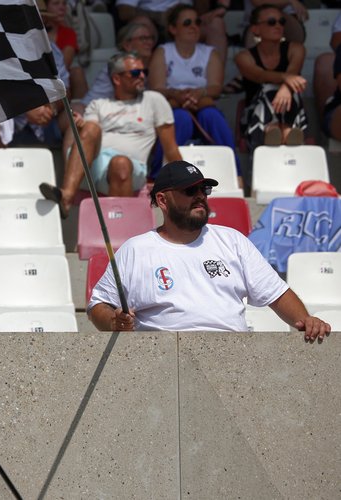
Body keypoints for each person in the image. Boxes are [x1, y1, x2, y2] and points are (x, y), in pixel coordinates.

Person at [87, 160, 331, 342]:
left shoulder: (232, 241)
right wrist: (114, 322)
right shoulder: (135, 250)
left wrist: (305, 321)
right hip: (161, 360)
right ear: (162, 200)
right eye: (189, 191)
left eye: (204, 190)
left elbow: (277, 293)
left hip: (231, 355)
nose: (200, 197)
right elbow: (98, 304)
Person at [39, 51, 182, 218]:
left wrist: (185, 183)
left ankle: (121, 227)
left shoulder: (154, 100)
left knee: (120, 163)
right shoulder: (98, 104)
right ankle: (66, 196)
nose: (142, 76)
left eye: (144, 72)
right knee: (91, 128)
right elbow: (89, 135)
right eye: (135, 73)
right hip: (92, 166)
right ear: (116, 79)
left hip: (130, 168)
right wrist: (81, 127)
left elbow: (170, 148)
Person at [148, 4, 239, 179]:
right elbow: (157, 89)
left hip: (202, 104)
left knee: (212, 117)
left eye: (197, 22)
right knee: (180, 118)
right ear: (173, 29)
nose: (194, 27)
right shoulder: (163, 52)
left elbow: (215, 87)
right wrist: (177, 95)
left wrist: (198, 94)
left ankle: (235, 174)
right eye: (187, 23)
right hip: (172, 106)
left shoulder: (209, 52)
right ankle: (158, 177)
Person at [235, 4, 308, 149]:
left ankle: (280, 130)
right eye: (271, 22)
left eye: (281, 22)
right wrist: (286, 79)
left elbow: (293, 72)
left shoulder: (296, 49)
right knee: (268, 88)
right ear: (255, 29)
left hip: (290, 110)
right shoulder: (243, 57)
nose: (278, 26)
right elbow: (260, 76)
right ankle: (282, 131)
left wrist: (286, 87)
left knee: (290, 90)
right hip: (255, 116)